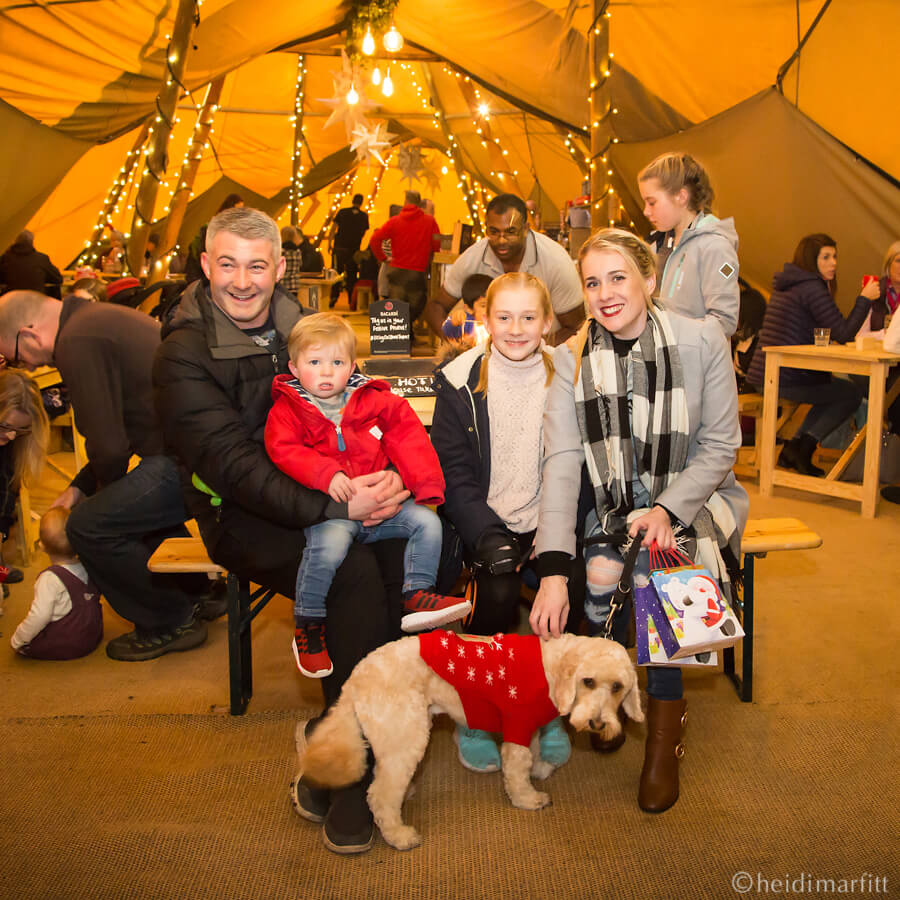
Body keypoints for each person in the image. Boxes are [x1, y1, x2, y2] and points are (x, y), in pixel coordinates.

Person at [153, 206, 409, 855]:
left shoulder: (298, 326)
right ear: (207, 266)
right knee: (350, 568)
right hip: (238, 513)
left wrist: (391, 481)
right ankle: (350, 772)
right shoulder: (182, 353)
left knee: (397, 549)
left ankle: (346, 732)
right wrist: (340, 510)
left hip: (324, 487)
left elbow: (362, 407)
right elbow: (235, 469)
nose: (243, 281)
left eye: (257, 266)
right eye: (229, 264)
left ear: (277, 269)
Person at [531, 228, 748, 813]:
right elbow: (562, 463)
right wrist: (553, 566)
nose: (604, 293)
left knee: (660, 572)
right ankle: (610, 690)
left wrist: (667, 508)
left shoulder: (702, 339)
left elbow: (721, 445)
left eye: (618, 277)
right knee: (600, 572)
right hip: (611, 505)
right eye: (593, 281)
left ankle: (662, 739)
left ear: (650, 281)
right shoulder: (569, 358)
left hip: (694, 497)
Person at [0, 289, 212, 661]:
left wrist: (94, 496)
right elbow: (122, 432)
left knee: (88, 525)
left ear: (29, 333)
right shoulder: (94, 320)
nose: (28, 368)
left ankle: (170, 620)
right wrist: (81, 486)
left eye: (18, 357)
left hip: (193, 460)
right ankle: (200, 593)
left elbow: (110, 446)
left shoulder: (76, 342)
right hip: (201, 450)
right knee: (121, 504)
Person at [430, 271, 585, 775]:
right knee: (494, 600)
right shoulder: (459, 380)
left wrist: (554, 531)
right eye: (504, 317)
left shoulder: (567, 375)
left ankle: (547, 709)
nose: (516, 328)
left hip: (547, 521)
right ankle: (475, 716)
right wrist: (486, 533)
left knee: (568, 596)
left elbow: (579, 461)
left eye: (528, 317)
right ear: (485, 320)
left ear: (548, 323)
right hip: (484, 522)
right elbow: (452, 472)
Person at [265, 313, 470, 678]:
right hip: (336, 511)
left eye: (337, 363)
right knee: (326, 549)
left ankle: (416, 594)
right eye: (315, 363)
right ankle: (309, 622)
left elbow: (409, 437)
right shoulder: (289, 408)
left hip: (382, 508)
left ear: (352, 366)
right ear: (294, 368)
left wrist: (425, 487)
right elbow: (283, 450)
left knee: (427, 521)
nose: (327, 372)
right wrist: (326, 474)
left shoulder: (374, 399)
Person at [746, 233, 878, 476]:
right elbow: (844, 333)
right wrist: (864, 299)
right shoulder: (811, 288)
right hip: (782, 378)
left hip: (769, 375)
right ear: (811, 260)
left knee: (835, 388)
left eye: (835, 257)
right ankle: (800, 447)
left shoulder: (792, 284)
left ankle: (796, 448)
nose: (833, 263)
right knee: (849, 391)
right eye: (826, 257)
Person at [425, 194, 585, 345]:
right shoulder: (472, 258)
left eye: (510, 232)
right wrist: (459, 348)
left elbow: (577, 327)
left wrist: (531, 351)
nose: (501, 240)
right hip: (487, 363)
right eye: (494, 232)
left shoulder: (555, 261)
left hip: (547, 361)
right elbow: (435, 307)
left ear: (526, 229)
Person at [638, 152, 739, 337]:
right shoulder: (656, 245)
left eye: (651, 202)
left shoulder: (716, 249)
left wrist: (671, 331)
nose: (645, 211)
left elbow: (724, 321)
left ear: (681, 197)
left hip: (697, 363)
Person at [10, 507, 102, 659]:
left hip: (65, 644)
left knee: (29, 643)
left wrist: (19, 639)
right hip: (91, 636)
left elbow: (39, 616)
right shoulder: (87, 565)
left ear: (42, 546)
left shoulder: (49, 579)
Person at [0, 369, 48, 591]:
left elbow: (8, 486)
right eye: (6, 427)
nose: (11, 436)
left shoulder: (11, 443)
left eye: (20, 430)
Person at [368, 190, 441, 334]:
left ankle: (400, 338)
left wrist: (383, 258)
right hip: (418, 271)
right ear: (420, 203)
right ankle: (407, 332)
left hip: (396, 270)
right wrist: (432, 254)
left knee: (397, 307)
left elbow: (374, 240)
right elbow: (436, 242)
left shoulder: (394, 221)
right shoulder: (429, 221)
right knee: (417, 304)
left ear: (405, 202)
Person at [184, 193, 244, 285]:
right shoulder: (212, 228)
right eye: (237, 211)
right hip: (201, 277)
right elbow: (202, 254)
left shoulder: (230, 232)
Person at [329, 194, 370, 308]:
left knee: (336, 273)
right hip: (353, 250)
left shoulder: (342, 212)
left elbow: (333, 228)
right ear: (361, 203)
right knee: (352, 275)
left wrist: (330, 242)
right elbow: (364, 232)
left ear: (352, 201)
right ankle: (351, 301)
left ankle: (334, 297)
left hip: (339, 248)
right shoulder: (363, 216)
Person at [0, 231, 62, 299]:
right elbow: (58, 279)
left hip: (9, 302)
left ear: (14, 241)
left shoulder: (5, 258)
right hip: (35, 302)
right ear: (32, 241)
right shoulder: (41, 258)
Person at [440, 273, 491, 341]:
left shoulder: (498, 323)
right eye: (483, 306)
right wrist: (454, 322)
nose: (490, 309)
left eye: (493, 304)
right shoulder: (466, 322)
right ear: (469, 308)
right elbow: (446, 330)